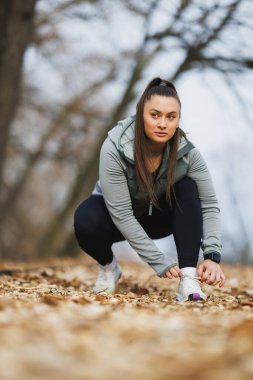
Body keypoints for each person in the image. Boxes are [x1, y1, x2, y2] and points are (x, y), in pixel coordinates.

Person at [73, 77, 226, 301]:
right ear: (140, 115)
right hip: (117, 218)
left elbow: (209, 204)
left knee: (187, 186)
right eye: (155, 115)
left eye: (170, 117)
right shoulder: (114, 147)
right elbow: (122, 214)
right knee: (85, 219)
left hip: (161, 219)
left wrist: (212, 256)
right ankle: (108, 267)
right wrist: (158, 261)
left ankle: (189, 280)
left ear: (178, 119)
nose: (162, 124)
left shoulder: (189, 154)